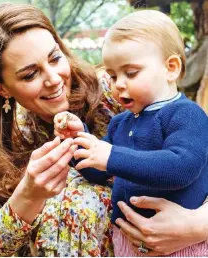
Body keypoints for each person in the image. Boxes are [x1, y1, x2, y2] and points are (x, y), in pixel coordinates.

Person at [0, 3, 208, 257]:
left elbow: (192, 158)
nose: (54, 78)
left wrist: (196, 225)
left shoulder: (121, 93)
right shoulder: (12, 141)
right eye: (30, 74)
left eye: (55, 58)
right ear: (0, 88)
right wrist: (29, 195)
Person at [54, 10, 208, 256]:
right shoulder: (120, 123)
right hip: (127, 241)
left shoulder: (187, 115)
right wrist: (77, 140)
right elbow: (97, 171)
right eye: (113, 76)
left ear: (171, 68)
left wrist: (111, 156)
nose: (119, 84)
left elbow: (182, 167)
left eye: (131, 73)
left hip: (182, 245)